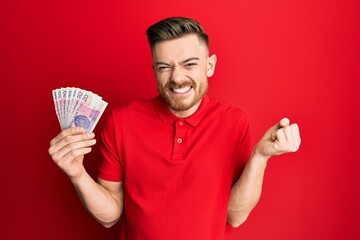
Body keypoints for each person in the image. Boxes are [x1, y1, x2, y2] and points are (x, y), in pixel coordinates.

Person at [48, 17, 301, 240]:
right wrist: (77, 174)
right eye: (164, 67)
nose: (177, 78)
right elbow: (110, 216)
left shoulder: (235, 121)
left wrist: (260, 156)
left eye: (189, 64)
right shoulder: (121, 122)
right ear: (154, 70)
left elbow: (234, 216)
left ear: (209, 65)